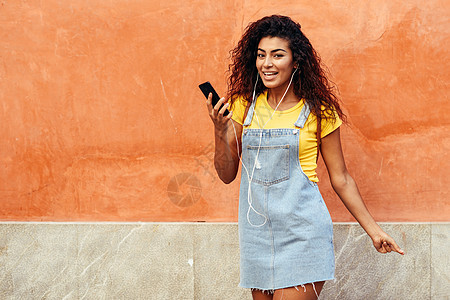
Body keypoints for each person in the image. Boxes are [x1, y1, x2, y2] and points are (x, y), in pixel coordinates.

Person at [205, 15, 404, 300]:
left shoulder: (319, 112)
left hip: (303, 234)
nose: (267, 63)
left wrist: (374, 231)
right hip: (257, 237)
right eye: (261, 55)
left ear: (296, 61)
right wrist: (219, 130)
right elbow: (226, 174)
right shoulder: (243, 106)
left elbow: (342, 178)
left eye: (277, 55)